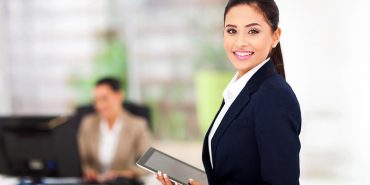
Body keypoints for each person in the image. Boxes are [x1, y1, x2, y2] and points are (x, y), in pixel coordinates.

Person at [156, 0, 301, 184]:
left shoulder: (274, 97)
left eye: (253, 31)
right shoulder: (239, 91)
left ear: (275, 36)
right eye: (232, 31)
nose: (240, 42)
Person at [78, 77, 152, 183]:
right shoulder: (88, 123)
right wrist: (88, 171)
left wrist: (124, 174)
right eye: (96, 100)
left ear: (119, 96)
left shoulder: (138, 125)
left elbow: (147, 165)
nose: (99, 105)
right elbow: (82, 160)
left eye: (104, 98)